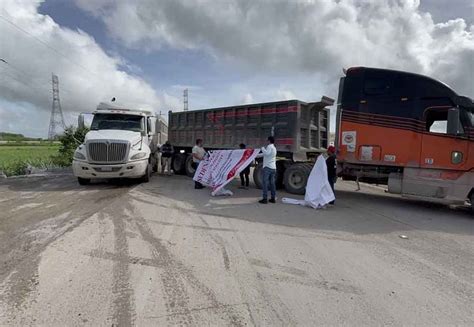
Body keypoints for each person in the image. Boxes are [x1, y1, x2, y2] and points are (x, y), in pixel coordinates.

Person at [258, 136, 277, 204]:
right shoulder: (274, 148)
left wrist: (262, 148)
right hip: (273, 168)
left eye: (267, 140)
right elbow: (265, 154)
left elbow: (266, 153)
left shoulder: (269, 146)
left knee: (265, 183)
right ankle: (273, 198)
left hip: (267, 168)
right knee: (272, 183)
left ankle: (265, 199)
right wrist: (256, 155)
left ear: (269, 141)